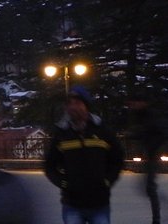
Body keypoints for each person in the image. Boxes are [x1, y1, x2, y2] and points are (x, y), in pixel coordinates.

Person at [45, 85, 124, 224]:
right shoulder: (62, 133)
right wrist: (63, 183)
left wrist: (107, 180)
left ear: (86, 106)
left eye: (77, 103)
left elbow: (117, 159)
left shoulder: (102, 131)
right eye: (69, 104)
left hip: (99, 203)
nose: (72, 107)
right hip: (72, 204)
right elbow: (49, 165)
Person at [127, 91, 167, 224]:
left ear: (142, 103)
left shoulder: (151, 115)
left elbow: (159, 131)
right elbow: (144, 132)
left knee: (150, 187)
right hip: (149, 153)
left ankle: (156, 219)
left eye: (134, 103)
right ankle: (156, 218)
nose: (132, 106)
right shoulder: (139, 115)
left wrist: (152, 144)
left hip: (154, 153)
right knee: (149, 188)